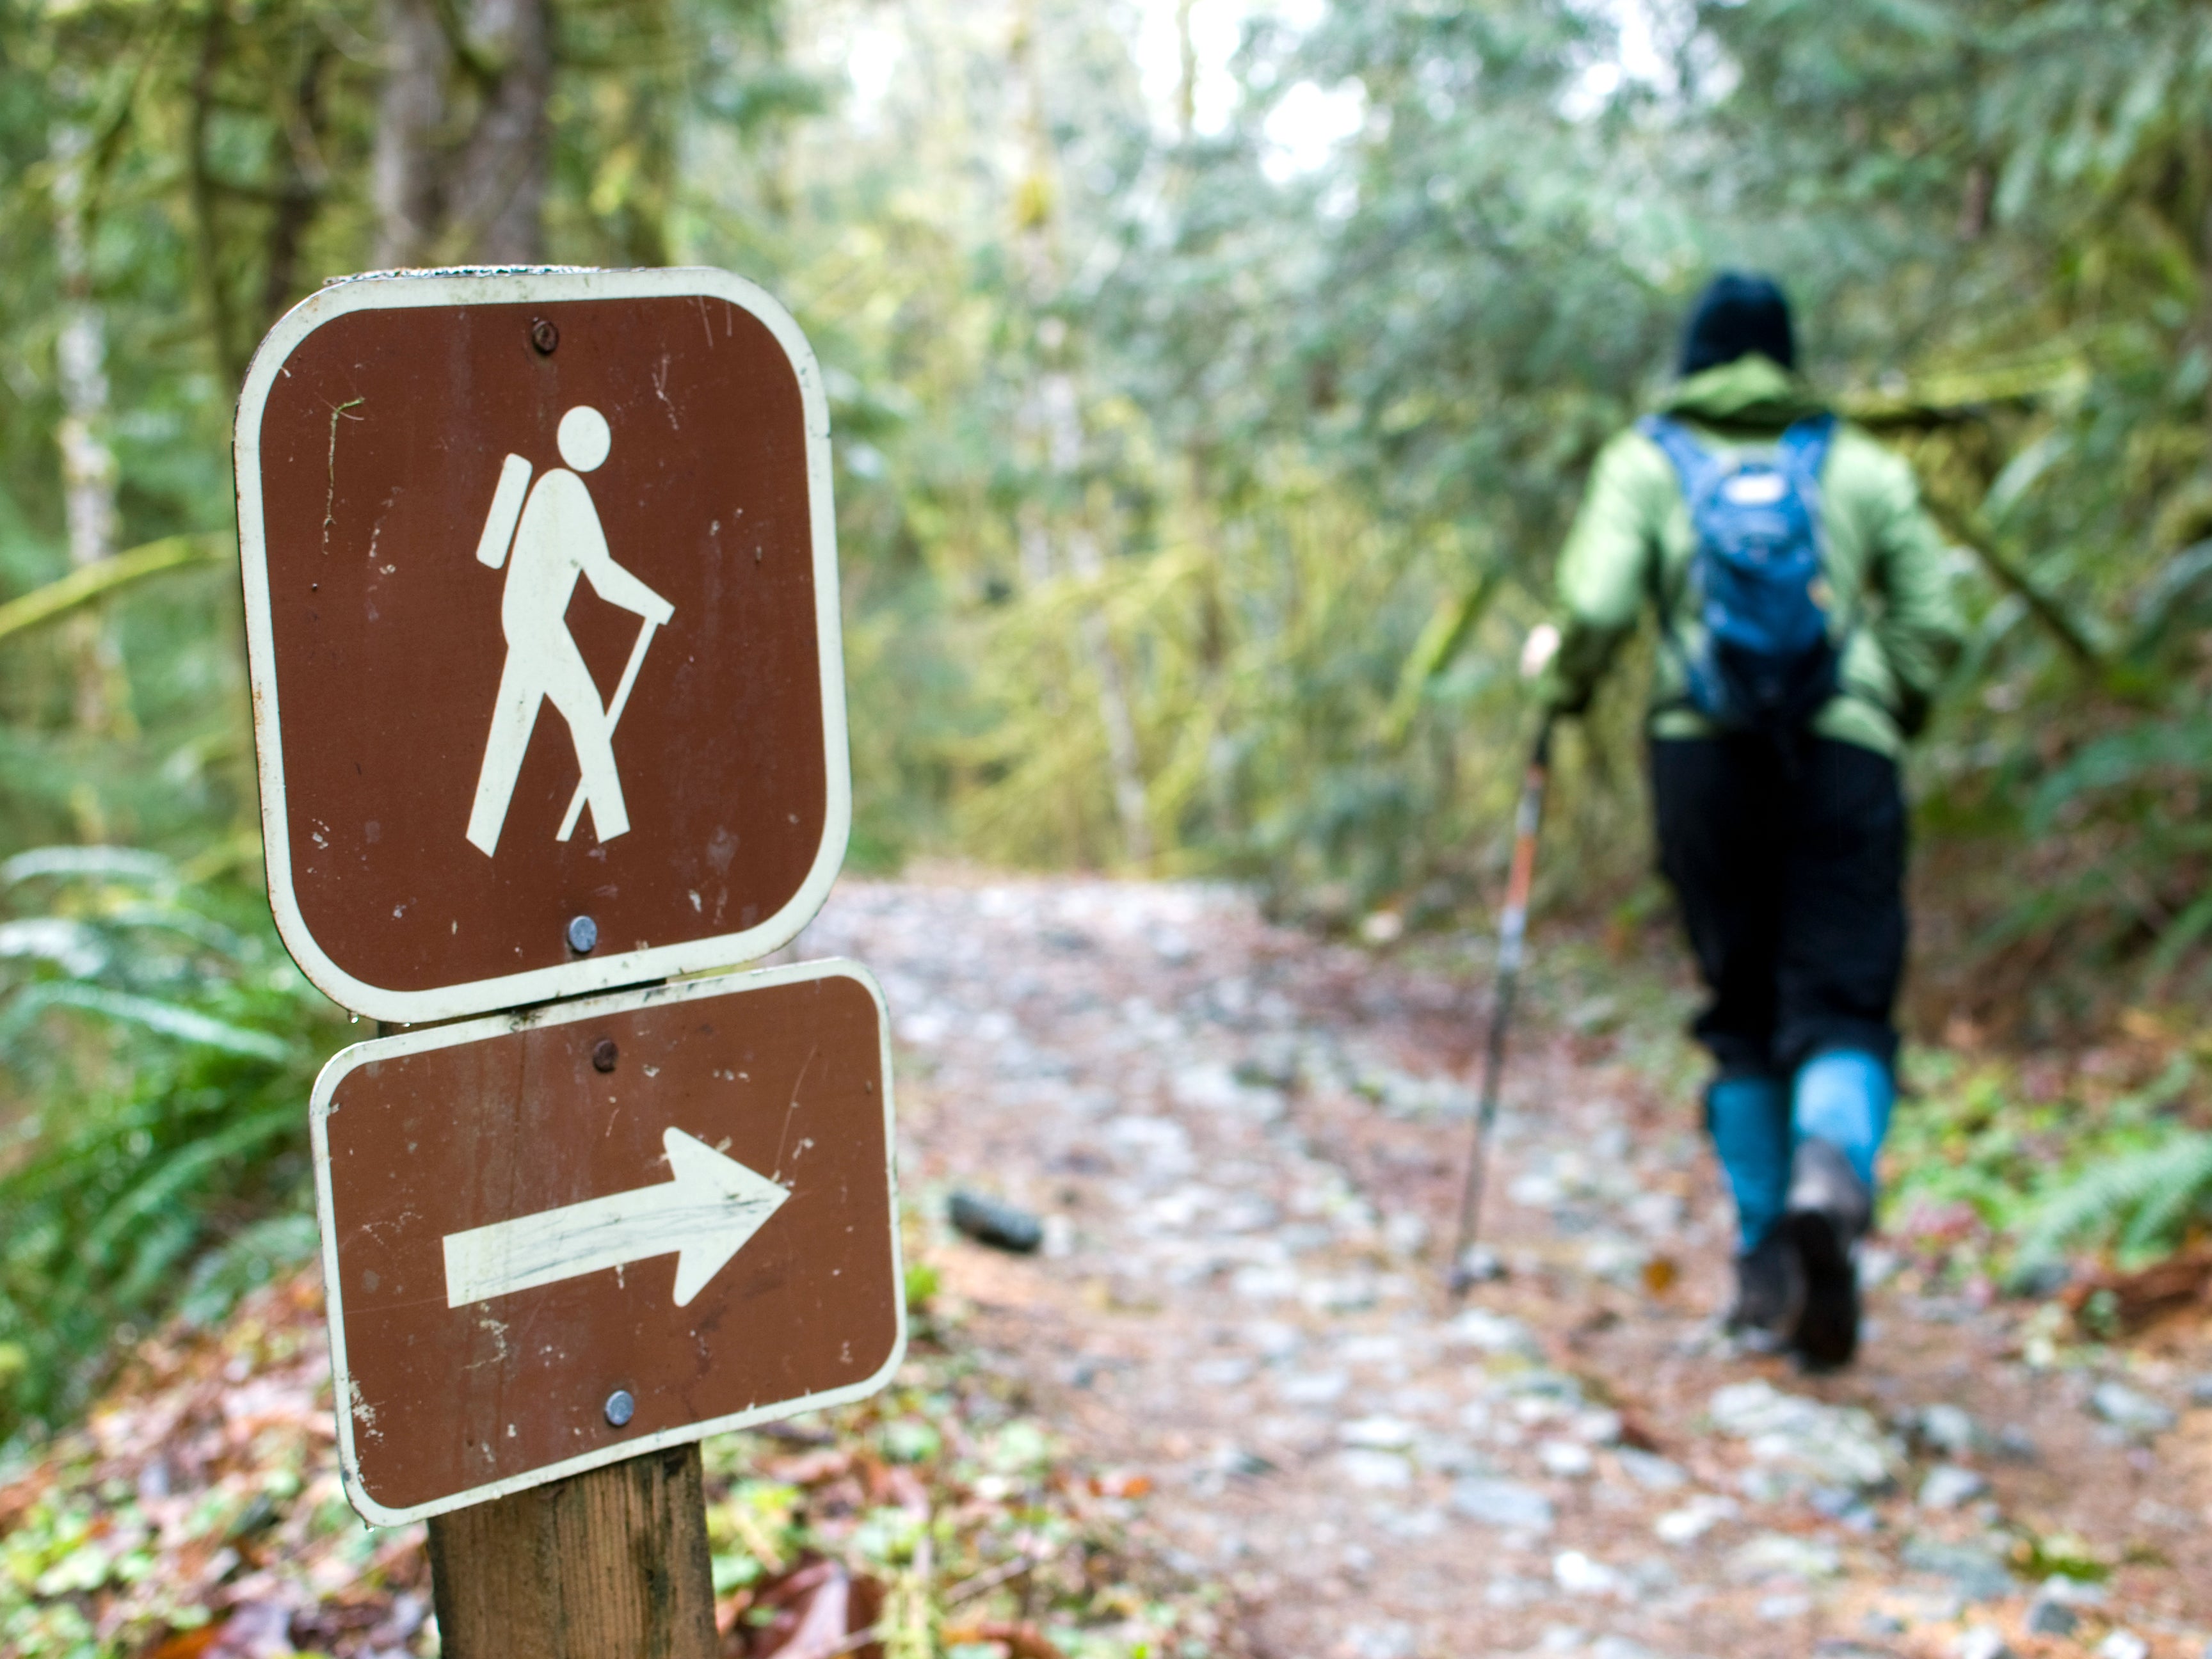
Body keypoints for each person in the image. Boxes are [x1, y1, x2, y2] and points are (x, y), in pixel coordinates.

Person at [1527, 273, 1962, 1366]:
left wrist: (1561, 689)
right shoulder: (1856, 463)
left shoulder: (1646, 461)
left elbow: (1596, 605)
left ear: (1693, 358)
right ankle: (1830, 1176)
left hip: (1703, 759)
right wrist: (1883, 699)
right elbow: (1934, 619)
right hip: (1843, 754)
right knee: (1842, 1001)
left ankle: (1768, 1264)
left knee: (1742, 1008)